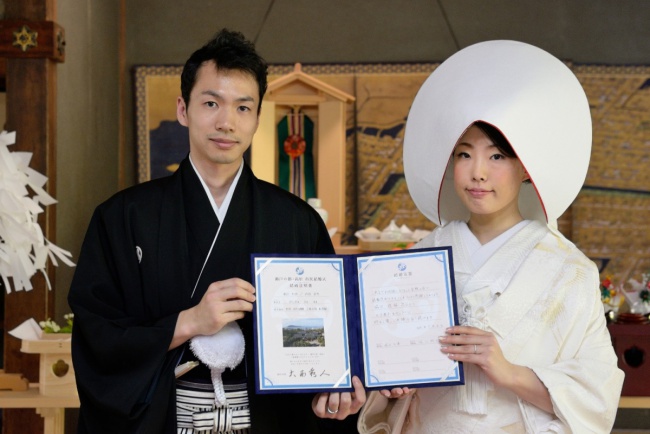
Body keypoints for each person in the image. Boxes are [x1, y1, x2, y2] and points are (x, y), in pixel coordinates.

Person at [68, 29, 364, 434]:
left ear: (258, 117)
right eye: (211, 103)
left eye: (243, 108)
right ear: (184, 109)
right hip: (165, 419)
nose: (226, 122)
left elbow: (324, 335)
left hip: (265, 421)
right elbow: (96, 336)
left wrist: (335, 388)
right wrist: (189, 321)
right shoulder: (123, 216)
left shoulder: (296, 221)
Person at [357, 40, 624, 433]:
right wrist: (392, 387)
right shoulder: (415, 261)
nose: (478, 172)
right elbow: (383, 377)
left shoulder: (570, 271)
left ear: (526, 167)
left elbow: (596, 395)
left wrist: (507, 371)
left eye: (497, 156)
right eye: (464, 154)